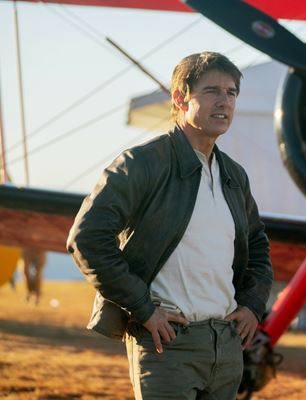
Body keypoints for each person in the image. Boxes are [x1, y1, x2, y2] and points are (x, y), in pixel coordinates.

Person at [67, 51, 273, 400]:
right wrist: (144, 309)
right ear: (180, 98)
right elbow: (86, 239)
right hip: (167, 344)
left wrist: (253, 305)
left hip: (225, 347)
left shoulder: (234, 176)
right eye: (211, 91)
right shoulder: (141, 164)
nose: (224, 101)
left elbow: (257, 245)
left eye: (231, 92)